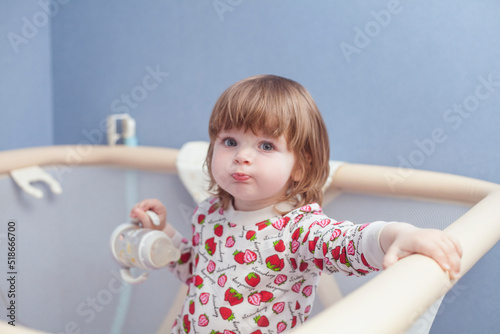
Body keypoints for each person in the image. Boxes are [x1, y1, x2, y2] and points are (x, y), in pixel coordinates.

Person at [130, 74, 462, 334]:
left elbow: (348, 243)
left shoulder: (299, 229)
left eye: (265, 146)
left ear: (300, 166)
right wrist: (165, 236)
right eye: (230, 141)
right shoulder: (209, 214)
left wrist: (396, 235)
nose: (242, 156)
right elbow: (197, 273)